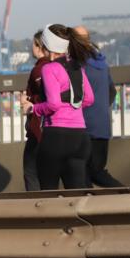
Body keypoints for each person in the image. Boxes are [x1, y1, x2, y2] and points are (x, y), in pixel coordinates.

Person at [20, 24, 95, 190]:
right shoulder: (77, 67)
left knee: (48, 194)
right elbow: (89, 99)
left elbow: (53, 105)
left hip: (56, 136)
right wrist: (71, 102)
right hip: (80, 137)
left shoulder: (49, 68)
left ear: (46, 46)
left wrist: (33, 108)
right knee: (75, 195)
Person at [74, 26, 124, 188]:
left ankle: (124, 194)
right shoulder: (101, 62)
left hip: (84, 125)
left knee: (85, 172)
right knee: (94, 171)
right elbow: (112, 91)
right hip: (102, 124)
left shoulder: (77, 64)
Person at [22, 31, 47, 191]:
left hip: (38, 130)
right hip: (54, 130)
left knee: (31, 172)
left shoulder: (39, 69)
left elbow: (47, 97)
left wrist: (29, 101)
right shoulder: (62, 66)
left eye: (33, 44)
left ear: (39, 47)